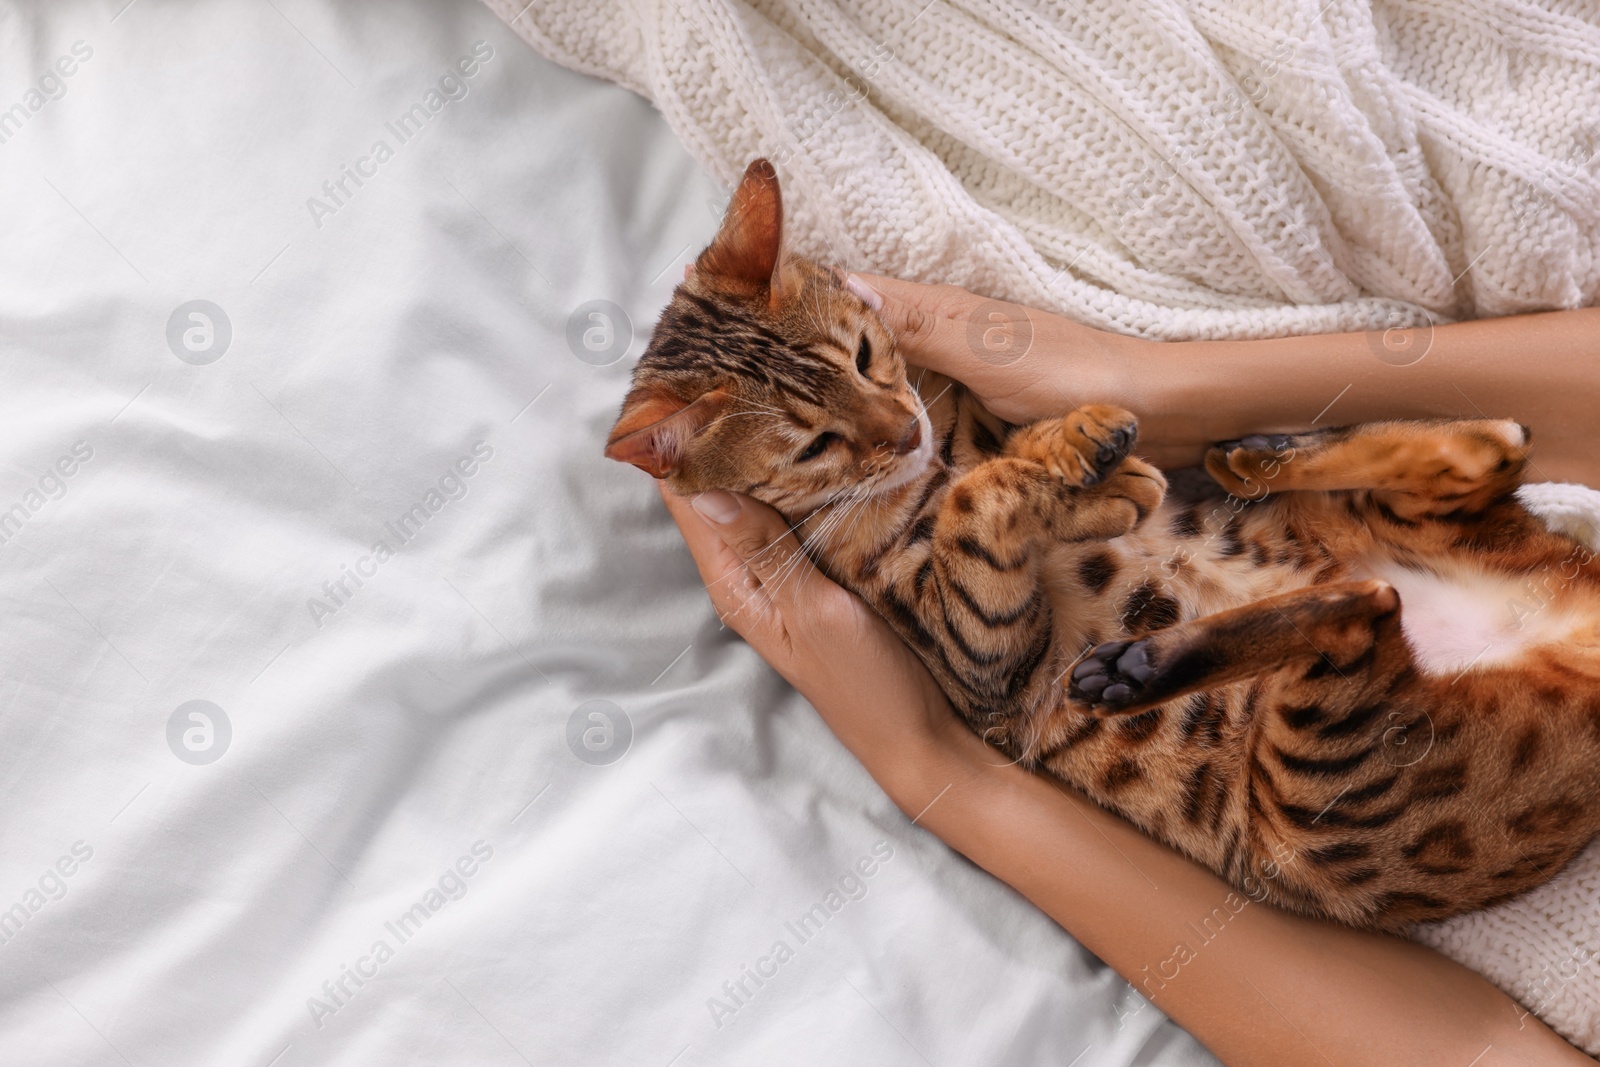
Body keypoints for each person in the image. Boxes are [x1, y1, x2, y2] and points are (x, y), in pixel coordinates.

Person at [656, 274, 1600, 1065]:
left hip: (1336, 695)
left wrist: (929, 765)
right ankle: (1421, 516)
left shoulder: (872, 508)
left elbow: (996, 665)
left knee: (1307, 849)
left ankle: (1346, 618)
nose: (894, 426)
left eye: (867, 365)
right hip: (1491, 646)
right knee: (1325, 816)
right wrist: (1159, 386)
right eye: (821, 437)